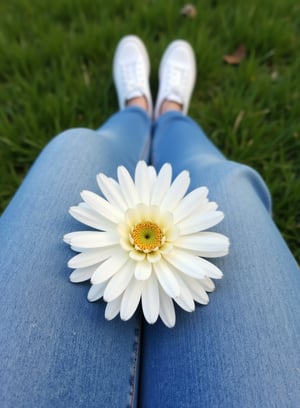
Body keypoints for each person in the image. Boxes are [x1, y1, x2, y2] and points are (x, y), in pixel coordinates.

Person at [0, 35, 299, 408]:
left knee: (74, 146)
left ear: (151, 238)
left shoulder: (153, 238)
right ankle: (170, 115)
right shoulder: (142, 237)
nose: (146, 238)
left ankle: (139, 110)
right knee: (227, 183)